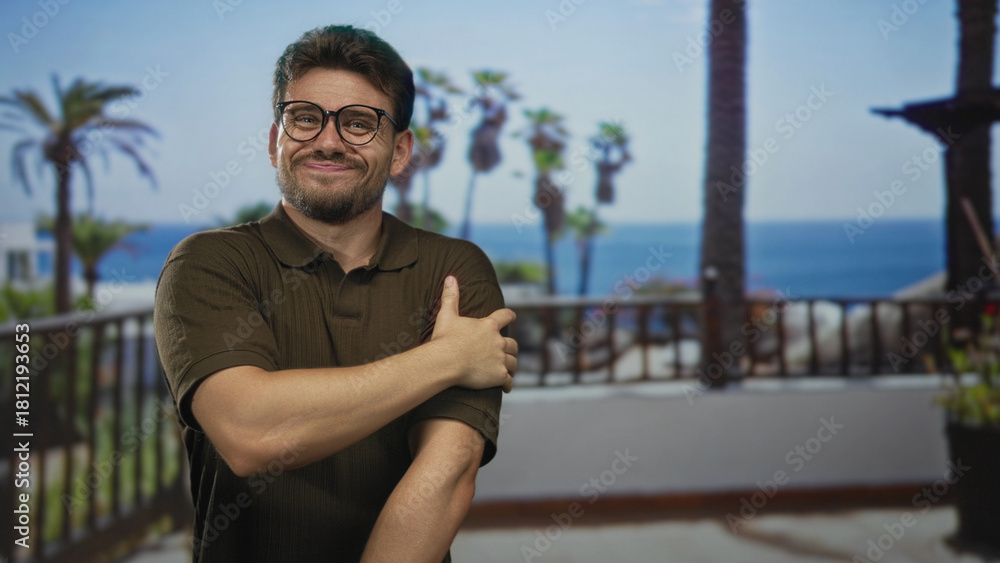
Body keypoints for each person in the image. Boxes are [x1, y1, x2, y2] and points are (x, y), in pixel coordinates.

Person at [154, 24, 518, 563]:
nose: (328, 141)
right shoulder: (208, 262)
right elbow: (251, 432)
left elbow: (449, 469)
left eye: (358, 123)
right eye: (305, 118)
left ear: (399, 151)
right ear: (277, 140)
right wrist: (447, 358)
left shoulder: (454, 269)